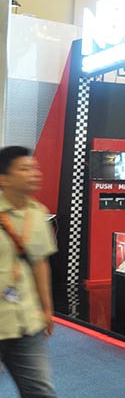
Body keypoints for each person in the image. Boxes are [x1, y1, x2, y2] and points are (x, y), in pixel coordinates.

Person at [0, 146, 58, 397]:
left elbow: (40, 263)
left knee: (40, 391)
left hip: (26, 322)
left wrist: (47, 309)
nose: (34, 173)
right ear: (4, 179)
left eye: (34, 168)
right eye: (24, 169)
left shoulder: (38, 213)